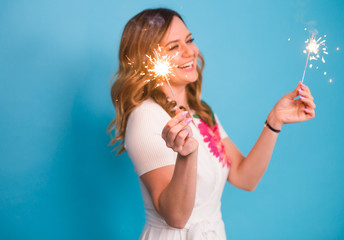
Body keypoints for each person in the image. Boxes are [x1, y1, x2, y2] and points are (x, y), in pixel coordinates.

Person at [108, 8, 316, 240]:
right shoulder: (146, 117)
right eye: (174, 47)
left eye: (189, 40)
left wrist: (275, 121)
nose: (190, 52)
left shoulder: (201, 112)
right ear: (147, 59)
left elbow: (245, 178)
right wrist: (187, 156)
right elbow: (176, 217)